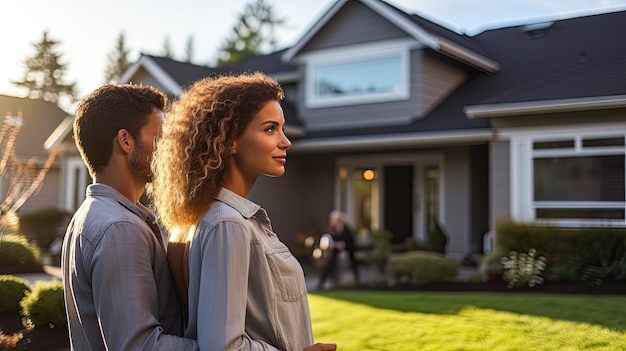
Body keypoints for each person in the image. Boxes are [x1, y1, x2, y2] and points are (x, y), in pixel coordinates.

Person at [148, 72, 337, 351]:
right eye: (270, 129)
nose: (286, 142)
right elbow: (222, 346)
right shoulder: (228, 223)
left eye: (282, 129)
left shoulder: (197, 222)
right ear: (230, 140)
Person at [61, 84, 198, 350]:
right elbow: (140, 346)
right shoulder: (119, 228)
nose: (170, 151)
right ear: (126, 141)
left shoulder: (93, 215)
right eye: (161, 139)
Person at [316, 210, 360, 290]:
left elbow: (347, 243)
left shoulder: (346, 230)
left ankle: (356, 284)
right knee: (330, 266)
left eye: (332, 219)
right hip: (337, 254)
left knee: (351, 269)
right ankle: (321, 284)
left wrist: (336, 244)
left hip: (347, 254)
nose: (331, 221)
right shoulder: (335, 229)